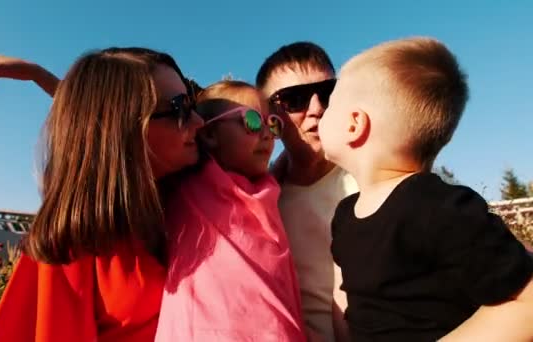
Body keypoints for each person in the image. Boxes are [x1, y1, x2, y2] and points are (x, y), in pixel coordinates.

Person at [0, 47, 204, 341]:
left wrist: (38, 75)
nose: (199, 122)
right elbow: (95, 119)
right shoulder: (75, 244)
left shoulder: (195, 189)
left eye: (193, 104)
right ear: (125, 129)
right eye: (180, 108)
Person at [319, 36, 533, 341]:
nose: (319, 113)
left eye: (330, 103)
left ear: (354, 124)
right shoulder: (345, 215)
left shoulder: (439, 206)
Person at [155, 80, 306, 341]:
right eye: (251, 121)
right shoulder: (188, 183)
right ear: (209, 134)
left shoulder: (271, 186)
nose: (267, 134)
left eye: (272, 124)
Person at [256, 42, 357, 341]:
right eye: (295, 99)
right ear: (270, 118)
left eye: (328, 93)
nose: (318, 108)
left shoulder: (376, 180)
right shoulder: (257, 203)